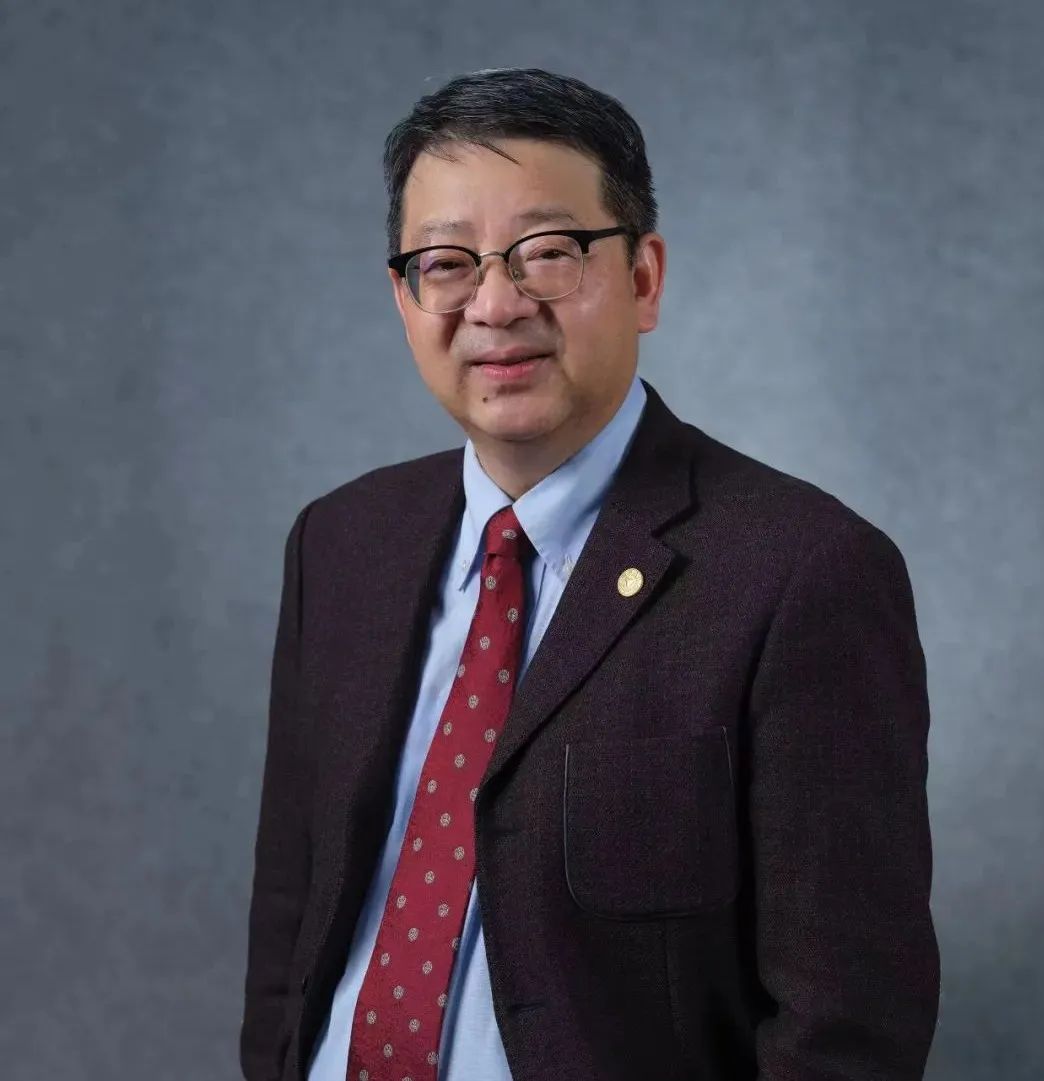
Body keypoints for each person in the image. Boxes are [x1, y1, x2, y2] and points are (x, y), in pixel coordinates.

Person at [240, 67, 940, 1081]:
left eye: (548, 253)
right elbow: (290, 916)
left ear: (644, 277)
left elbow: (849, 1023)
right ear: (404, 296)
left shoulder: (802, 573)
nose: (494, 304)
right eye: (446, 263)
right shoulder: (341, 545)